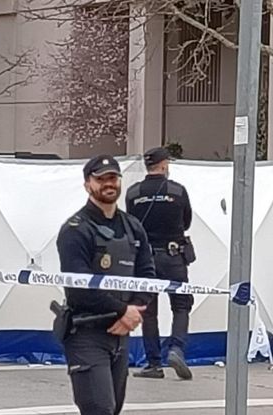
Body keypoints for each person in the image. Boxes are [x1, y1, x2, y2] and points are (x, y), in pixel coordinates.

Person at [56, 154, 156, 415]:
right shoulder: (75, 230)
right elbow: (80, 289)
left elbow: (148, 275)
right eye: (101, 179)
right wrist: (123, 311)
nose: (108, 184)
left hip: (121, 336)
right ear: (88, 184)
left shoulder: (134, 227)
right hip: (86, 333)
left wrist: (134, 310)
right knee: (100, 409)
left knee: (113, 409)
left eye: (113, 177)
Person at [127, 146, 195, 380]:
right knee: (181, 305)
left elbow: (131, 226)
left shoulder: (133, 192)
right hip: (174, 257)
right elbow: (186, 222)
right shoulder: (177, 190)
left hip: (145, 260)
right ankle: (176, 348)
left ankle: (154, 364)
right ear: (164, 165)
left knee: (148, 311)